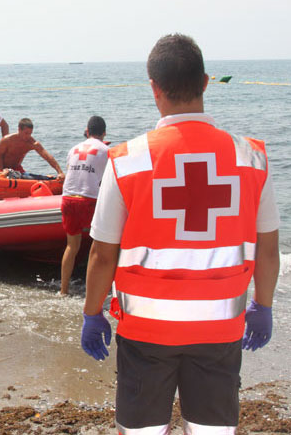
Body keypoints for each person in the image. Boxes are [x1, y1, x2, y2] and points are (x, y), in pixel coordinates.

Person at [81, 34, 280, 434]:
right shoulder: (252, 157)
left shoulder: (127, 160)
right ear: (206, 82)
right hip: (220, 331)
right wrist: (264, 304)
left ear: (154, 88)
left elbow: (103, 255)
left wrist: (92, 312)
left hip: (145, 334)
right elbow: (268, 248)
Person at [59, 116, 109, 296]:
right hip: (89, 201)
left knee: (71, 246)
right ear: (104, 133)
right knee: (101, 245)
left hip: (68, 199)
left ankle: (63, 291)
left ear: (87, 131)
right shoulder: (106, 150)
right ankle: (97, 289)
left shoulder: (73, 149)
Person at [0, 118, 65, 178]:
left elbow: (47, 157)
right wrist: (2, 171)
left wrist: (60, 172)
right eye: (26, 133)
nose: (28, 136)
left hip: (17, 169)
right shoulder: (6, 140)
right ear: (19, 129)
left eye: (30, 133)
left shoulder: (32, 143)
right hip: (1, 168)